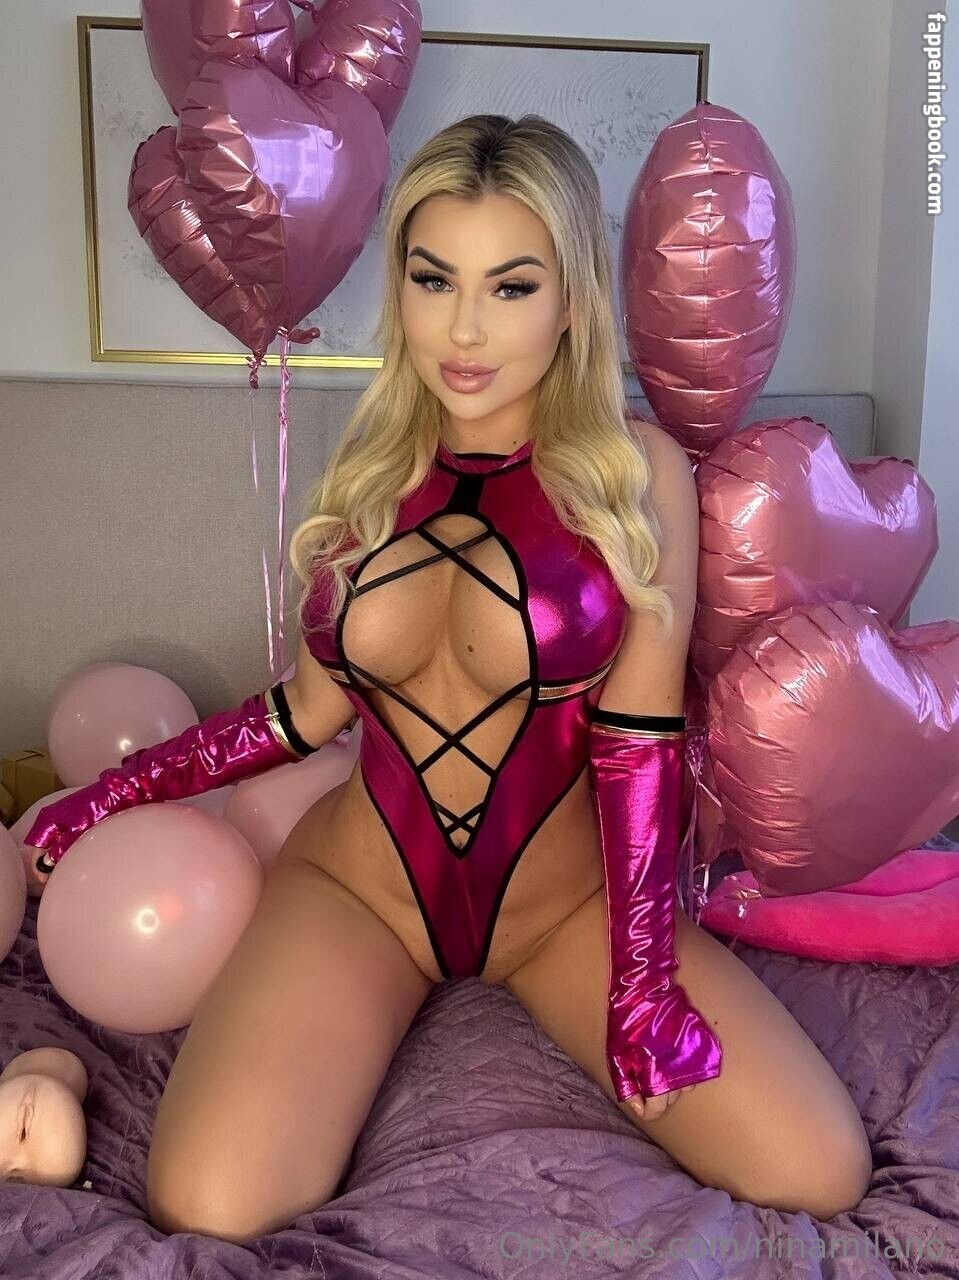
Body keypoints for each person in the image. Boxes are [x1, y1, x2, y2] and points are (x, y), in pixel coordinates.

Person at [25, 114, 872, 1243]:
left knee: (819, 1168)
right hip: (363, 890)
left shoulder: (634, 474)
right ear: (403, 288)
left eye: (510, 287)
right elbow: (302, 714)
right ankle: (49, 1064)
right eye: (434, 280)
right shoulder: (371, 469)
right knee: (208, 1203)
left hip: (561, 908)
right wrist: (107, 795)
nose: (464, 329)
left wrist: (640, 982)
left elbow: (637, 744)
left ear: (569, 301)